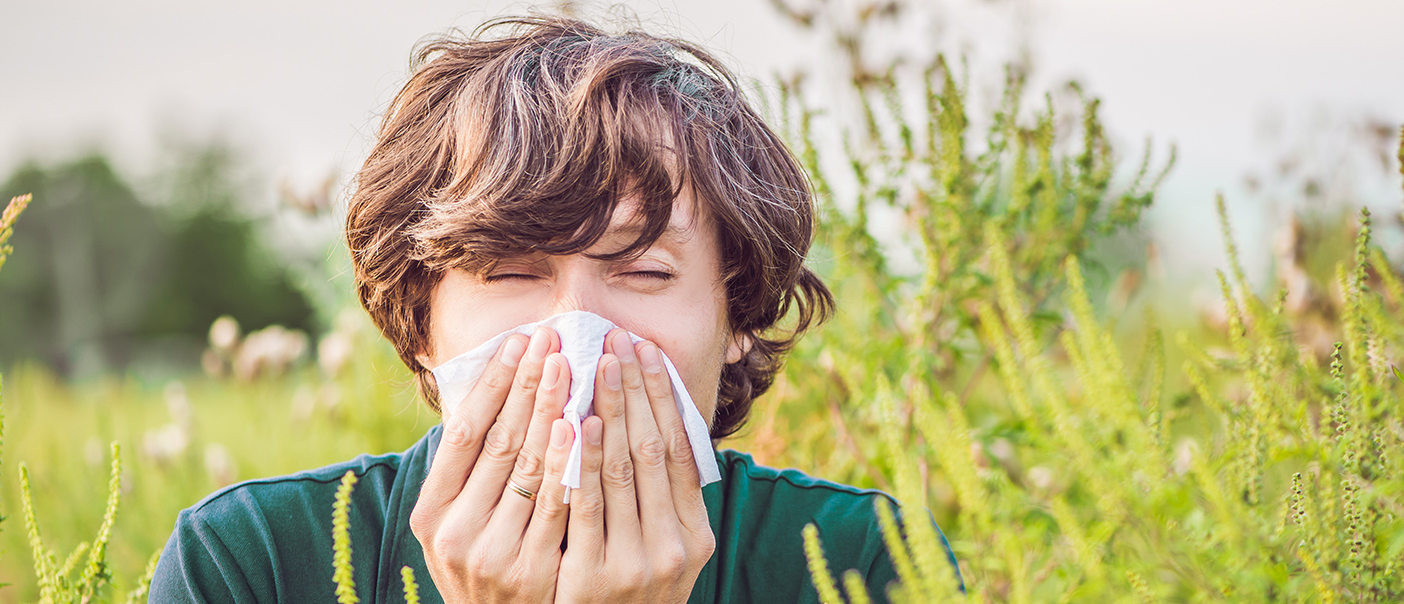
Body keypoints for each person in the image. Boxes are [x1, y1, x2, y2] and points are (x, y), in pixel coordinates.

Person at [150, 15, 955, 603]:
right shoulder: (249, 564)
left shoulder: (866, 565)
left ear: (738, 312)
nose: (577, 337)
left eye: (641, 271)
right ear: (420, 320)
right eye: (508, 273)